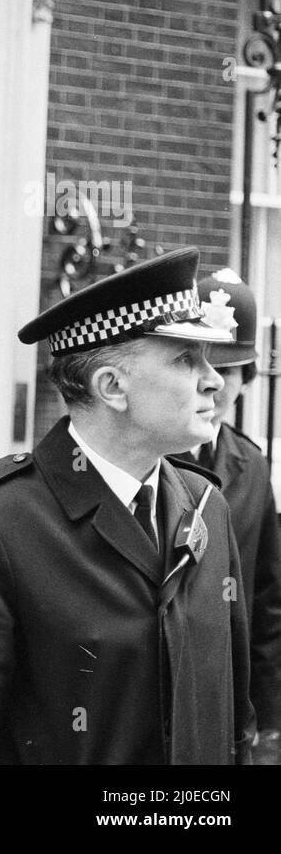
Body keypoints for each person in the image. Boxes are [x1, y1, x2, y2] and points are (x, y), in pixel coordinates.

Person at [0, 247, 254, 764]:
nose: (214, 380)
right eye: (185, 359)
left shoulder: (206, 507)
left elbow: (233, 722)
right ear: (111, 387)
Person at [180, 269, 280, 764]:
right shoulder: (149, 458)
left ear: (247, 378)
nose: (217, 386)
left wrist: (271, 722)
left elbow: (266, 600)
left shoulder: (252, 466)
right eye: (205, 363)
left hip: (230, 701)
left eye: (232, 371)